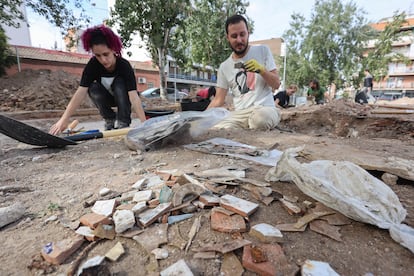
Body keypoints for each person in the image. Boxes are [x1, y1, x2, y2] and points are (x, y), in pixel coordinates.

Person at [49, 25, 146, 135]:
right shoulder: (93, 65)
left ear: (113, 49)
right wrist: (63, 120)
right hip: (106, 99)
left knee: (120, 82)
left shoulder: (124, 65)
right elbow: (80, 93)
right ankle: (109, 119)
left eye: (106, 54)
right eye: (98, 55)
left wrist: (144, 124)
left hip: (123, 98)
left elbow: (133, 96)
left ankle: (123, 122)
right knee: (92, 87)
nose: (103, 60)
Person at [207, 14, 281, 130]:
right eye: (234, 36)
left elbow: (276, 84)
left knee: (260, 120)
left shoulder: (263, 50)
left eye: (242, 34)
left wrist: (262, 70)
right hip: (240, 114)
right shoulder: (224, 67)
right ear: (228, 38)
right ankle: (246, 127)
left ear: (248, 33)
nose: (239, 40)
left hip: (264, 108)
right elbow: (218, 100)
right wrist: (200, 117)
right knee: (215, 128)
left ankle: (269, 119)